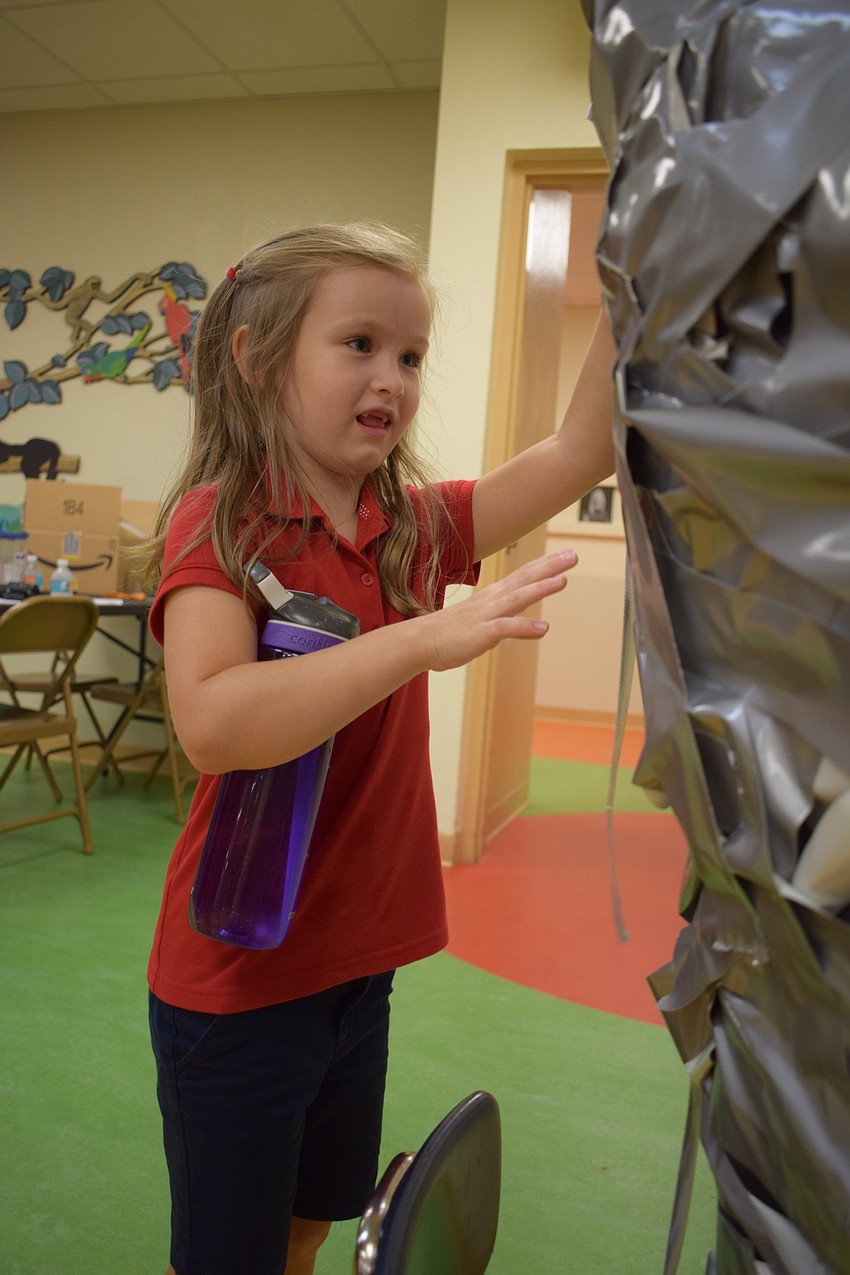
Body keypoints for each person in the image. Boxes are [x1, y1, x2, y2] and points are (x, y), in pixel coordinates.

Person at [140, 221, 616, 1275]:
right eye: (357, 344)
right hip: (237, 984)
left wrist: (643, 261)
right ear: (257, 357)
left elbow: (581, 450)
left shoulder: (410, 526)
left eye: (409, 356)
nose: (391, 378)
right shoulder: (225, 524)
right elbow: (213, 722)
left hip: (357, 975)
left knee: (311, 1222)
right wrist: (417, 639)